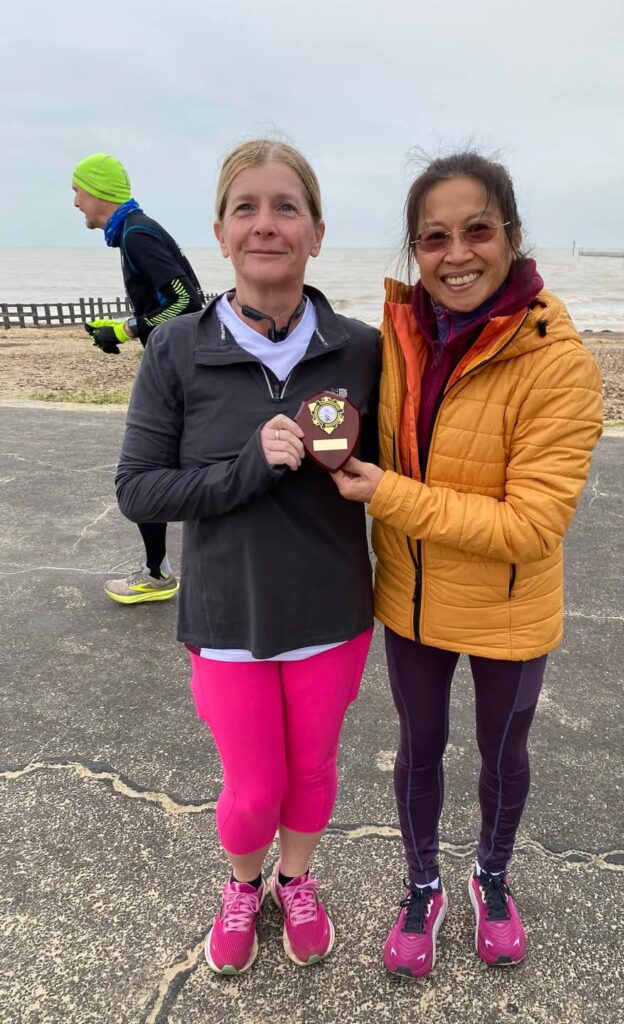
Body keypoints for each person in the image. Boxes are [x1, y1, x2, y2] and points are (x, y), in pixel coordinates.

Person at [332, 150, 603, 977]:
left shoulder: (561, 363)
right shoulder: (397, 337)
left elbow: (532, 524)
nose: (457, 255)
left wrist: (386, 494)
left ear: (513, 237)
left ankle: (491, 875)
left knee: (502, 752)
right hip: (411, 599)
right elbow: (342, 414)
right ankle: (422, 886)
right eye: (435, 237)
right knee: (419, 747)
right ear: (416, 250)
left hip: (511, 611)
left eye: (477, 230)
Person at [115, 139, 380, 973]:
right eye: (247, 209)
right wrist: (244, 471)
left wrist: (372, 477)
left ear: (317, 232)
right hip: (227, 616)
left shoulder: (363, 349)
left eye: (286, 208)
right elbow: (139, 490)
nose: (267, 224)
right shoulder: (178, 350)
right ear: (222, 234)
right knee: (253, 789)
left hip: (332, 611)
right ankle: (242, 885)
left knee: (311, 775)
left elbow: (407, 469)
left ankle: (294, 882)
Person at [72, 152, 204, 604]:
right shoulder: (133, 230)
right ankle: (159, 570)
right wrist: (122, 328)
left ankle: (161, 574)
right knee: (163, 466)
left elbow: (188, 302)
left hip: (180, 372)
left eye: (78, 191)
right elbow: (170, 301)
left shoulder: (137, 233)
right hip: (178, 367)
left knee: (147, 469)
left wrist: (129, 328)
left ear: (98, 192)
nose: (75, 202)